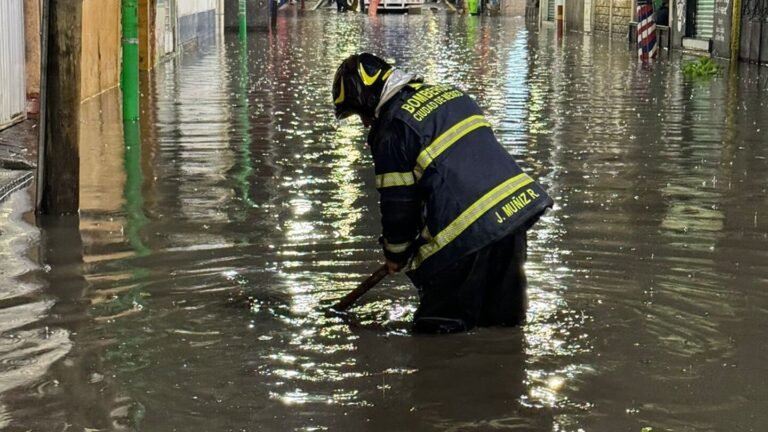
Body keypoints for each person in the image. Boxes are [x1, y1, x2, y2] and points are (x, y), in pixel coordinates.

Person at [331, 53, 553, 334]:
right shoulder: (450, 94)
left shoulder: (391, 129)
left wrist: (395, 253)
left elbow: (398, 203)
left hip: (465, 236)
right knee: (504, 325)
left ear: (366, 100)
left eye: (360, 114)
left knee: (437, 333)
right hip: (512, 219)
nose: (364, 122)